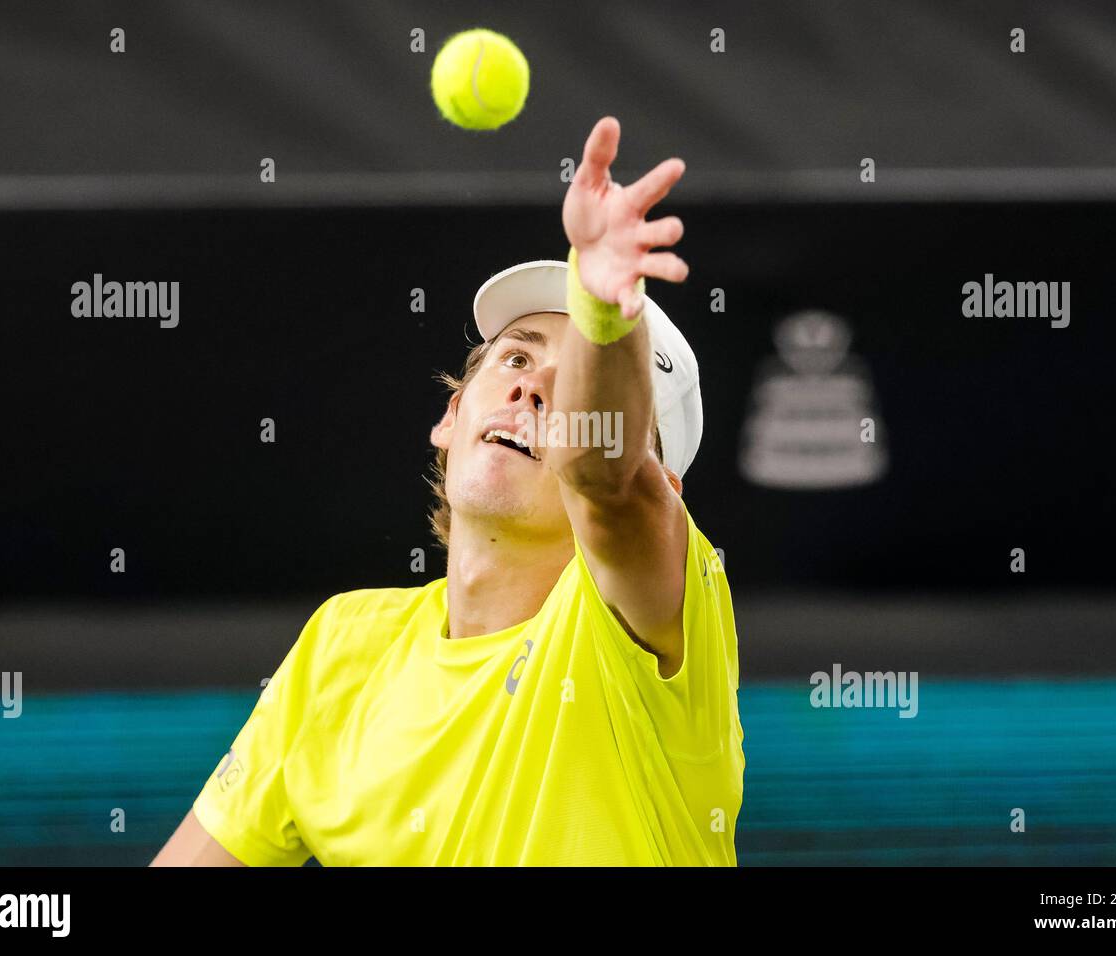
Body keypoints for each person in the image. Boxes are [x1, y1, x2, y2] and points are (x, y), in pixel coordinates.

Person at [152, 116, 744, 866]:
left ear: (665, 491)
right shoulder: (341, 647)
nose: (532, 387)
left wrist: (603, 303)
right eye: (516, 357)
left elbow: (608, 476)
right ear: (452, 414)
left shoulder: (653, 616)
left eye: (571, 384)